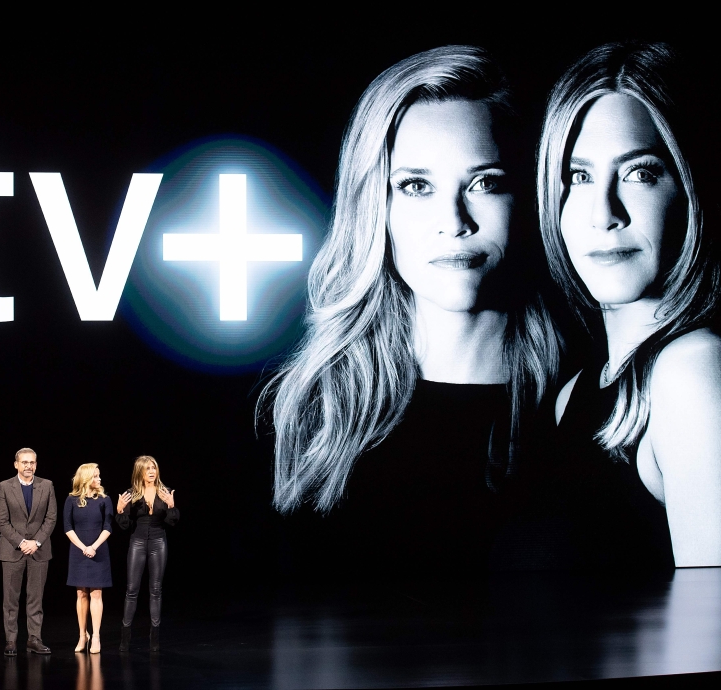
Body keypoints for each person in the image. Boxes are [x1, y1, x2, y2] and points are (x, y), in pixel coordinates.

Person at [258, 45, 561, 574]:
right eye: (416, 186)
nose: (454, 220)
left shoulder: (581, 407)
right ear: (376, 205)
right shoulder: (314, 410)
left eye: (485, 182)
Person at [537, 42, 721, 568]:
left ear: (688, 187)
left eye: (640, 173)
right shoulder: (573, 392)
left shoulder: (691, 369)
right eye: (579, 176)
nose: (604, 213)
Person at [0, 448, 58, 656]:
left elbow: (51, 518)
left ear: (36, 465)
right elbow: (1, 521)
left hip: (39, 551)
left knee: (35, 598)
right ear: (16, 464)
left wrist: (36, 542)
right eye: (24, 462)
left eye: (32, 462)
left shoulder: (46, 485)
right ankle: (11, 640)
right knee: (11, 599)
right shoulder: (4, 487)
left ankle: (34, 638)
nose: (28, 466)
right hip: (12, 550)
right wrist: (22, 542)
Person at [115, 455, 179, 652]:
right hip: (138, 541)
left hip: (159, 542)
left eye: (154, 467)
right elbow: (125, 525)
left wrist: (171, 506)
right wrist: (120, 511)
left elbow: (172, 522)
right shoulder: (131, 493)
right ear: (140, 472)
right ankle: (125, 639)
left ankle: (154, 640)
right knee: (132, 590)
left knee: (156, 590)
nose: (152, 471)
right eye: (148, 468)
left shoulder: (165, 492)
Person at [64, 463, 114, 653]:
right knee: (81, 593)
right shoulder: (71, 500)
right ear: (85, 478)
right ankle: (82, 635)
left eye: (99, 476)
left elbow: (108, 527)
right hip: (78, 549)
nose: (99, 479)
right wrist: (83, 547)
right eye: (95, 476)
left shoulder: (104, 499)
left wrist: (93, 546)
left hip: (98, 549)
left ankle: (96, 637)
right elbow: (67, 527)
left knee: (96, 593)